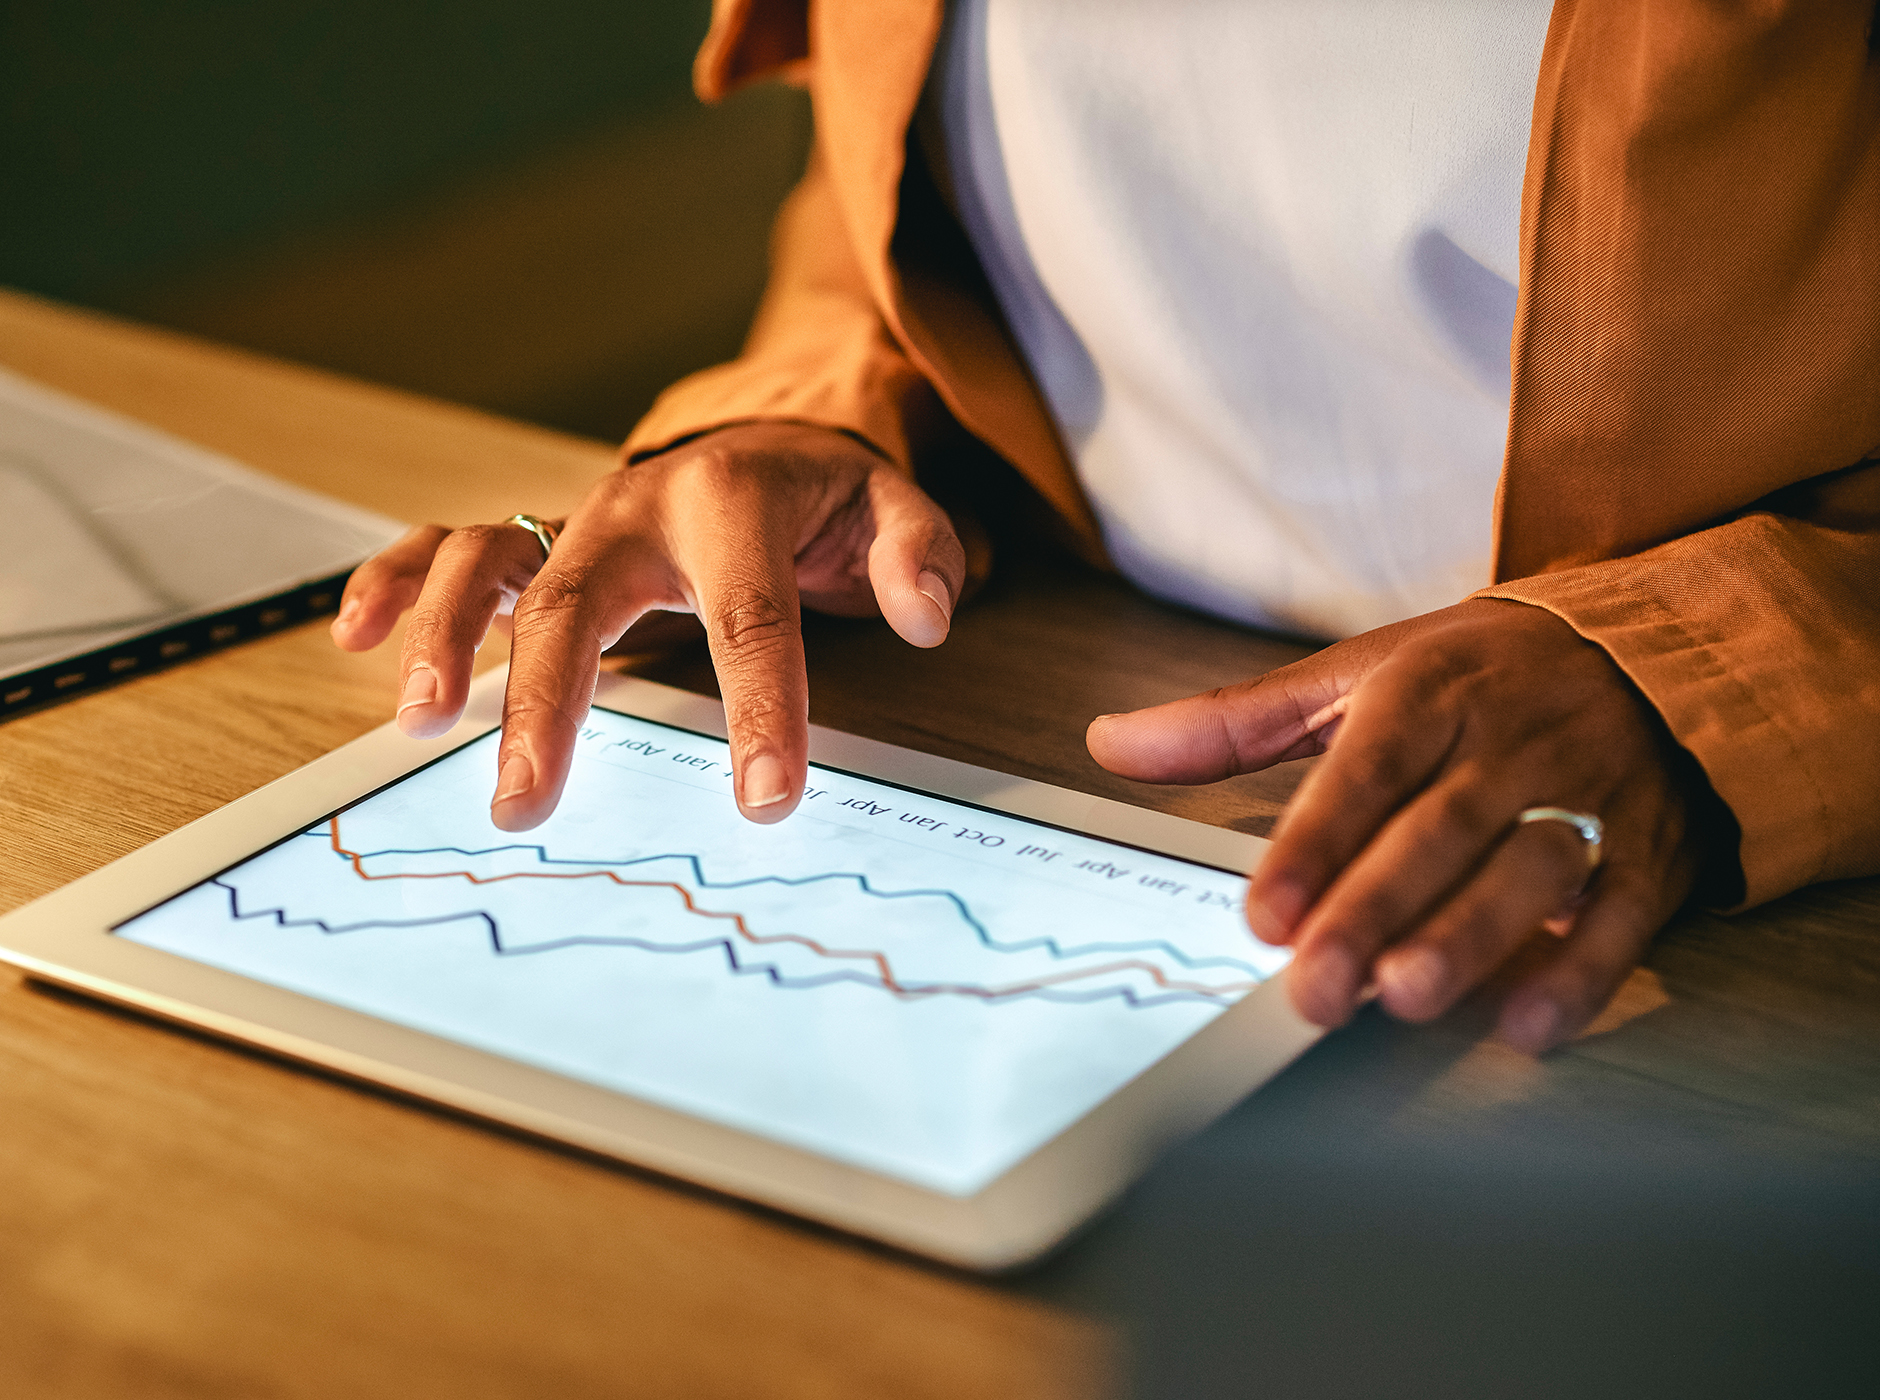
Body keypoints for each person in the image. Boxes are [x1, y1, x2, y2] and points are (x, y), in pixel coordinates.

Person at [330, 0, 1880, 1054]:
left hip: (1717, 948)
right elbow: (906, 201)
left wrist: (1699, 682)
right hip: (1047, 687)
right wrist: (815, 415)